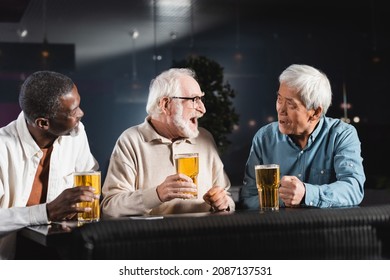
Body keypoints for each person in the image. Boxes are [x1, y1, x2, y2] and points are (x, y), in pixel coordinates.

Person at [101, 68, 235, 216]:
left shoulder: (205, 138)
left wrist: (224, 203)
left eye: (201, 99)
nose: (202, 109)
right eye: (194, 100)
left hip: (202, 236)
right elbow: (110, 207)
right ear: (165, 104)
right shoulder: (131, 140)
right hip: (153, 237)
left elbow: (228, 197)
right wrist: (157, 194)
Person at [0, 71, 99, 259]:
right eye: (73, 111)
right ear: (43, 123)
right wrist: (46, 211)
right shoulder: (2, 149)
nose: (81, 113)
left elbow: (89, 178)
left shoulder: (76, 133)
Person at [239, 64, 365, 209]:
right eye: (279, 99)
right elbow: (248, 199)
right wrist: (284, 199)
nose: (281, 110)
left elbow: (353, 189)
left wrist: (306, 193)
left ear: (316, 113)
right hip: (277, 229)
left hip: (325, 229)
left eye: (291, 104)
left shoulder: (341, 134)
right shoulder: (264, 138)